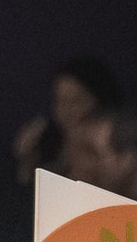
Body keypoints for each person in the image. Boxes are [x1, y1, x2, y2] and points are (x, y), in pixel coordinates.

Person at [11, 55, 120, 185]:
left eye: (75, 101)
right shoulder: (49, 147)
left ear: (98, 102)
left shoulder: (115, 144)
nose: (66, 110)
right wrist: (27, 161)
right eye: (60, 101)